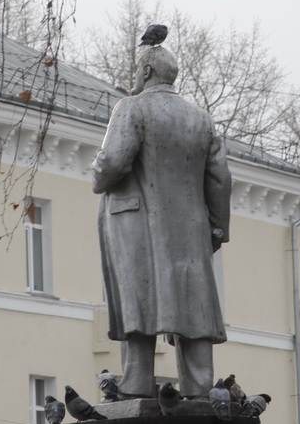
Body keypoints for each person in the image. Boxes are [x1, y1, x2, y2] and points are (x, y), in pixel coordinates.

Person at [92, 44, 232, 399]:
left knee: (140, 301)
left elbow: (112, 162)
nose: (136, 76)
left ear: (147, 72)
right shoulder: (201, 118)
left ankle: (136, 384)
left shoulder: (132, 108)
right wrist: (217, 228)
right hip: (192, 228)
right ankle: (201, 388)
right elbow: (220, 179)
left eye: (139, 70)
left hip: (137, 226)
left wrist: (96, 176)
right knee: (194, 304)